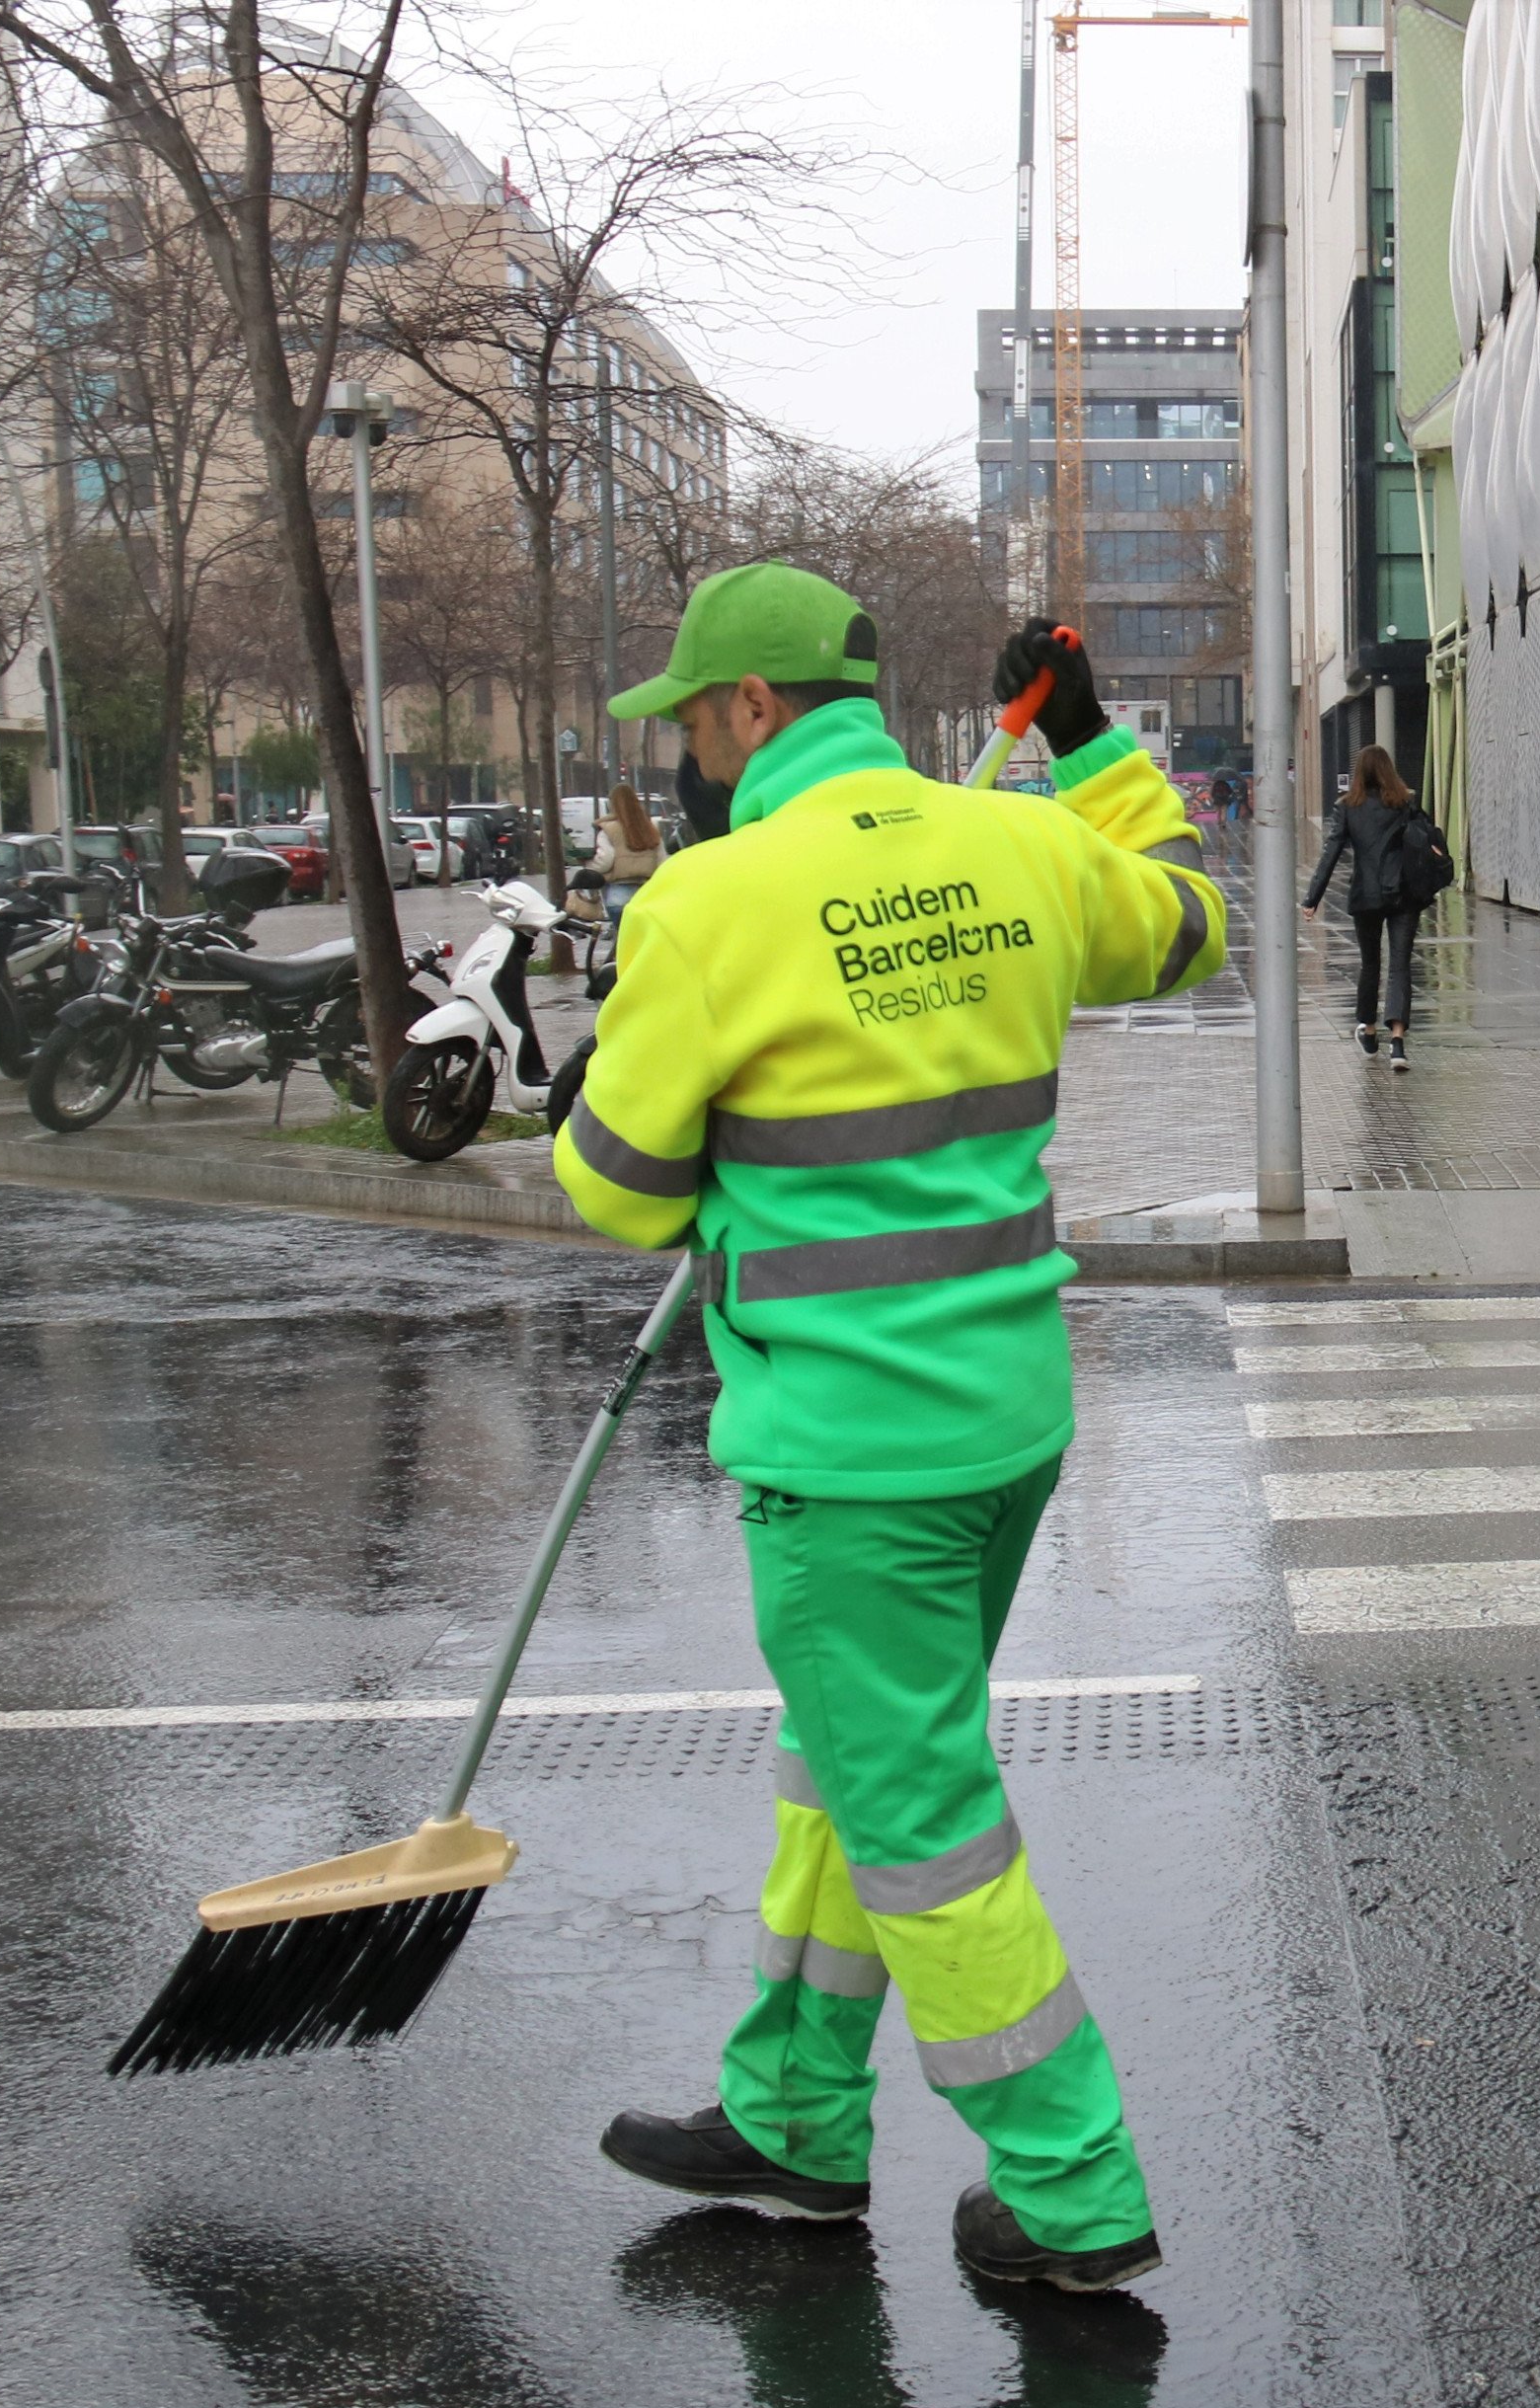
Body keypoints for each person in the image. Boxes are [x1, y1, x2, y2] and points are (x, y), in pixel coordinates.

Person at [556, 564, 1226, 2294]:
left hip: (847, 1459)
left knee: (919, 1811)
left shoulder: (706, 906)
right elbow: (1183, 916)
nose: (691, 751)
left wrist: (656, 1128)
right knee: (853, 1769)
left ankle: (1074, 2190)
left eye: (697, 718)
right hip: (1005, 1428)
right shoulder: (1012, 845)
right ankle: (790, 2111)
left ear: (756, 708)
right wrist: (1084, 744)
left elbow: (617, 1193)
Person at [1303, 743, 1425, 1067]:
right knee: (1400, 964)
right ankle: (1397, 1043)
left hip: (1366, 896)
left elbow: (1331, 853)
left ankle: (1369, 1030)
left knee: (1370, 963)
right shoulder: (1406, 802)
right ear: (1388, 769)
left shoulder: (1347, 806)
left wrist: (1312, 898)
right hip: (1403, 895)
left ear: (1359, 774)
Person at [597, 781, 662, 931]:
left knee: (622, 940)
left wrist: (590, 866)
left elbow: (605, 860)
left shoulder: (607, 830)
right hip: (647, 896)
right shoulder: (649, 828)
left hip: (618, 896)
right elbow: (662, 861)